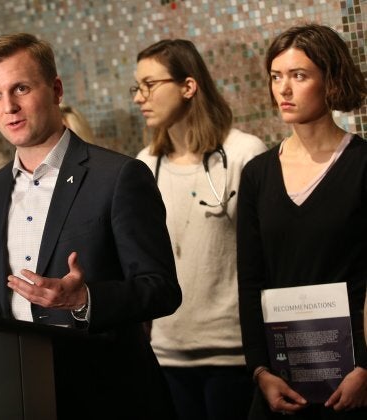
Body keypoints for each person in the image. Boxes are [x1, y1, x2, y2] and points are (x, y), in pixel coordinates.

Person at [0, 33, 182, 419]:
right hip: (20, 393)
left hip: (108, 394)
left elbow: (161, 289)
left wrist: (85, 300)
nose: (9, 107)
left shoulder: (118, 176)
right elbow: (2, 292)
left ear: (55, 90)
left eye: (20, 88)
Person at [132, 39, 267, 420]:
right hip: (168, 353)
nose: (140, 97)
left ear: (188, 87)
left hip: (233, 352)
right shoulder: (145, 165)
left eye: (150, 85)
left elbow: (263, 258)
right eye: (137, 88)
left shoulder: (243, 153)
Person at [237, 24, 367, 419]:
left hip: (354, 376)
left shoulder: (362, 164)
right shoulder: (257, 174)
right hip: (282, 374)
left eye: (299, 75)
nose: (284, 90)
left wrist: (366, 367)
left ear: (331, 80)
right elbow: (250, 280)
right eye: (277, 76)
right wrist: (260, 370)